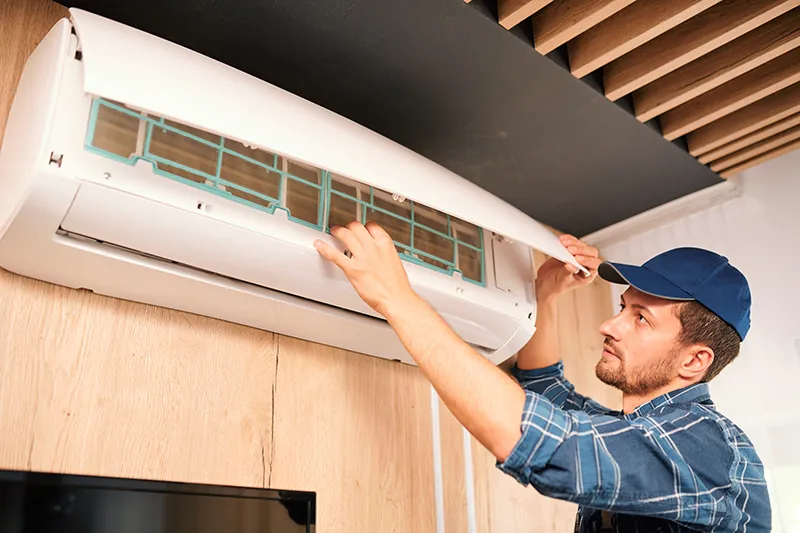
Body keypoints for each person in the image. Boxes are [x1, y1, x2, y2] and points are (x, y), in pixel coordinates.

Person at [314, 222, 771, 532]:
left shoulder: (706, 446)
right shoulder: (641, 436)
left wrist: (396, 297)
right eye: (622, 309)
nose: (609, 326)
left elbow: (537, 437)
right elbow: (541, 388)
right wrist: (545, 294)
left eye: (641, 319)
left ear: (694, 361)